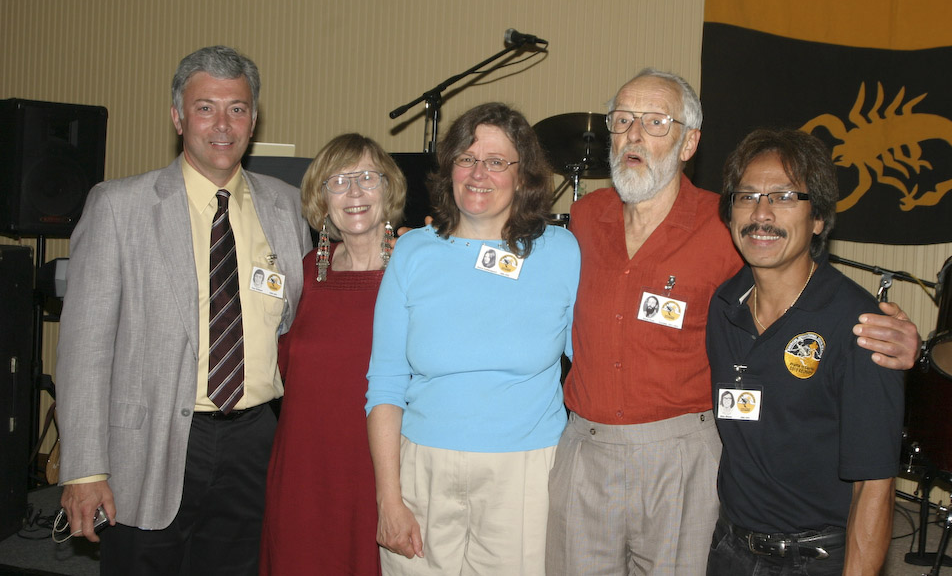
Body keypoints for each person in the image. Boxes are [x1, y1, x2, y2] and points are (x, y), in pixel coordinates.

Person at [545, 69, 920, 575]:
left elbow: (806, 281)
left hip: (680, 454)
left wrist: (899, 336)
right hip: (587, 449)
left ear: (688, 142)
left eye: (656, 122)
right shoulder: (583, 217)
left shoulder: (725, 227)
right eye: (623, 120)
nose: (634, 134)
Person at [56, 46, 312, 575]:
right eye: (205, 107)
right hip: (151, 443)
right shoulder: (119, 208)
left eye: (237, 108)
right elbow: (84, 350)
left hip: (255, 441)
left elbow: (301, 323)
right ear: (177, 117)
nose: (223, 124)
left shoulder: (287, 206)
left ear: (254, 119)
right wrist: (83, 469)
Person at [366, 102, 580, 575]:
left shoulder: (561, 252)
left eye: (497, 161)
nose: (478, 173)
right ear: (449, 169)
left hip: (525, 472)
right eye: (466, 158)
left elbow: (589, 359)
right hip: (422, 469)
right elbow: (384, 383)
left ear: (523, 176)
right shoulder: (412, 252)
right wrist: (388, 498)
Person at [706, 128, 903, 574]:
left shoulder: (861, 326)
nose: (761, 214)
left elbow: (874, 486)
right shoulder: (723, 308)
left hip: (814, 560)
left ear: (818, 219)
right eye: (747, 196)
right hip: (730, 550)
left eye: (783, 196)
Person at [260, 133, 405, 575]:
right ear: (321, 199)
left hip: (380, 471)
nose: (355, 192)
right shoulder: (302, 273)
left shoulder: (414, 268)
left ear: (390, 189)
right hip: (303, 470)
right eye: (338, 181)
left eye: (367, 178)